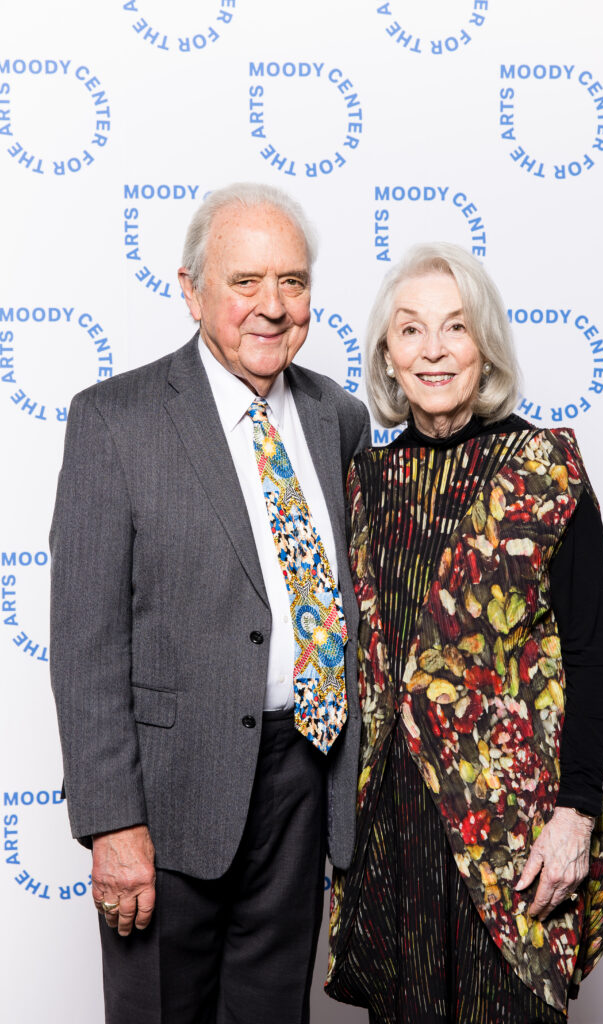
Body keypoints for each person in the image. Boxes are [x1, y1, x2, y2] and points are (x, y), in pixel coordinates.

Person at [50, 182, 370, 1024]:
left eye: (293, 282)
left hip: (305, 776)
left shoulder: (340, 417)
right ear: (190, 290)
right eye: (245, 282)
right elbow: (85, 644)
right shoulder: (113, 422)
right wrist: (112, 824)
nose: (273, 307)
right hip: (167, 796)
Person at [325, 243, 603, 1022]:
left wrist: (575, 814)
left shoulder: (543, 468)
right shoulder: (363, 483)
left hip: (513, 826)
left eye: (453, 328)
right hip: (393, 824)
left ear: (482, 344)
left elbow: (590, 658)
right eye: (410, 330)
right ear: (386, 355)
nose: (432, 350)